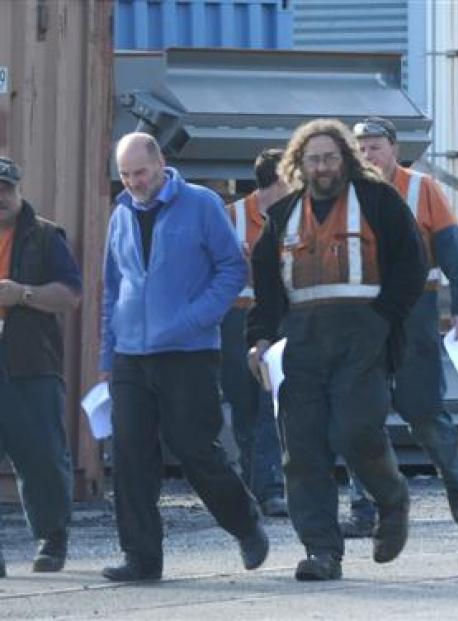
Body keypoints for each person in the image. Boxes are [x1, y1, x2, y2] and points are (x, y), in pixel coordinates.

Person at [246, 119, 427, 581]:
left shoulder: (379, 202)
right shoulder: (282, 215)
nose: (322, 167)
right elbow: (267, 292)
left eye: (330, 157)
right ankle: (322, 552)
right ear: (299, 165)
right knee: (302, 450)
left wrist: (383, 319)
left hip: (362, 340)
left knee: (356, 432)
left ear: (345, 158)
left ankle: (391, 499)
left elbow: (412, 265)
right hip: (302, 344)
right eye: (313, 159)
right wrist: (259, 340)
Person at [100, 133, 268, 582]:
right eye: (126, 174)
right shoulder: (120, 214)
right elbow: (112, 290)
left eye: (141, 172)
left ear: (160, 164)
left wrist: (196, 318)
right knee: (130, 455)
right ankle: (141, 559)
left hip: (189, 353)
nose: (134, 182)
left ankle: (244, 522)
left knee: (196, 451)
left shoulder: (201, 204)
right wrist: (106, 355)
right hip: (130, 356)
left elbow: (233, 268)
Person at [339, 116, 458, 537]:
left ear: (393, 150)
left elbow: (454, 250)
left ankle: (455, 481)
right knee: (358, 413)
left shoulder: (422, 189)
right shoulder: (343, 195)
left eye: (374, 147)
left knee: (423, 412)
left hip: (416, 313)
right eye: (360, 149)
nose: (367, 155)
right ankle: (364, 508)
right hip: (362, 317)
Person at [0, 157, 81, 577]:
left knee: (43, 459)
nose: (0, 197)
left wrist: (23, 294)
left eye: (5, 188)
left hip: (31, 362)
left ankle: (52, 539)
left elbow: (70, 295)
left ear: (18, 190)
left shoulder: (46, 236)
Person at [222, 149, 289, 517]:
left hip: (275, 320)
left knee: (269, 403)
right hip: (234, 319)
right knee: (244, 404)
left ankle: (271, 488)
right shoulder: (230, 217)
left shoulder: (296, 216)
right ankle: (254, 486)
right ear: (279, 180)